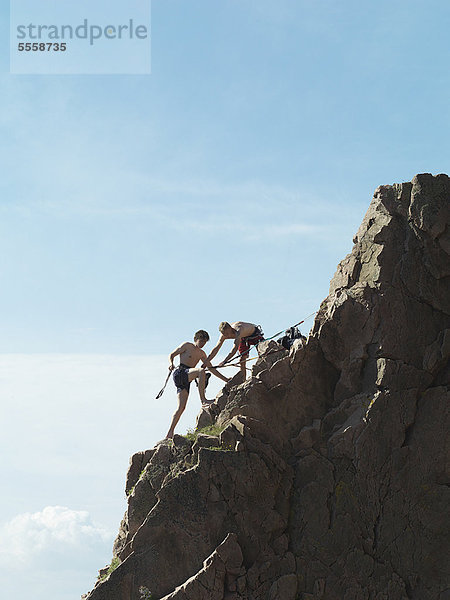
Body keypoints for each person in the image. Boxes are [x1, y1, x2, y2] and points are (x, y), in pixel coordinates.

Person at [166, 330, 230, 439]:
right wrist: (171, 363)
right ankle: (203, 400)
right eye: (201, 341)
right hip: (180, 372)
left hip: (187, 378)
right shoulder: (187, 345)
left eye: (205, 342)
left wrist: (226, 379)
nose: (202, 344)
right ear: (196, 339)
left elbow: (211, 369)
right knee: (201, 371)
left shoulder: (202, 354)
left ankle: (169, 433)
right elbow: (171, 354)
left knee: (181, 407)